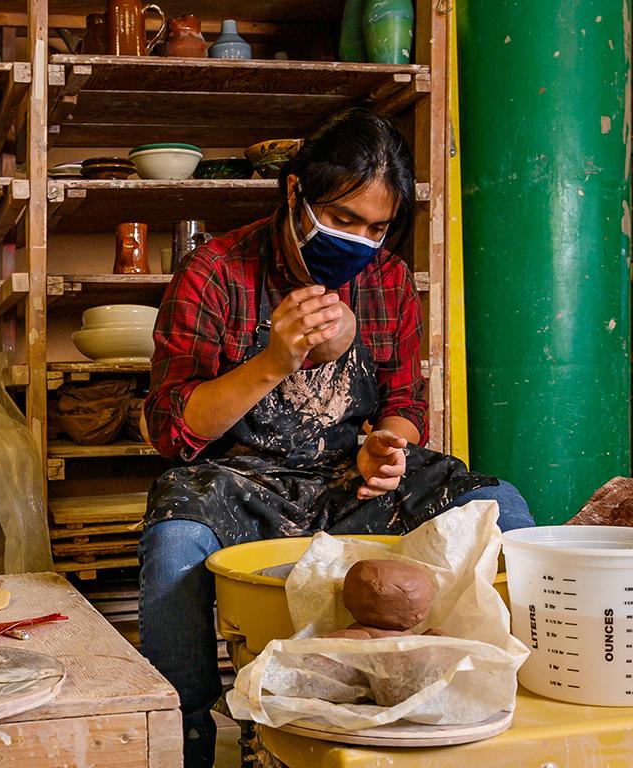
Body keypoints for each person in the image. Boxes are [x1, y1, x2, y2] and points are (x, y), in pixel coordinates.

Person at [138, 107, 535, 767]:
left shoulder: (387, 280)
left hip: (350, 478)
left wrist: (388, 448)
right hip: (243, 482)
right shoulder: (215, 271)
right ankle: (186, 731)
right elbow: (172, 431)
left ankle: (488, 695)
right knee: (175, 529)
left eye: (376, 227)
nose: (360, 239)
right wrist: (273, 362)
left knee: (500, 505)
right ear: (295, 192)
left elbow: (405, 404)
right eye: (344, 219)